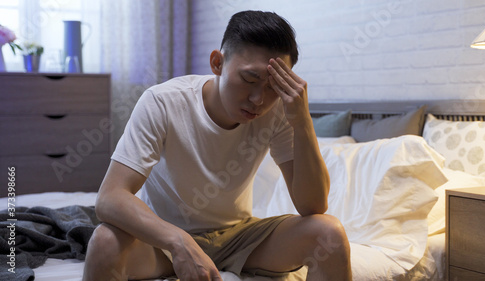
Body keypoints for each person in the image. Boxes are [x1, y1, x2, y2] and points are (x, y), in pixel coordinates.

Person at [83, 10, 352, 281]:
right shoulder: (163, 102)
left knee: (329, 235)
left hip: (240, 237)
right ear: (217, 63)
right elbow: (110, 197)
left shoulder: (280, 111)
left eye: (273, 87)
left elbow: (313, 206)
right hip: (163, 240)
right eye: (249, 79)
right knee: (104, 241)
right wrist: (179, 241)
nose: (259, 99)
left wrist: (303, 122)